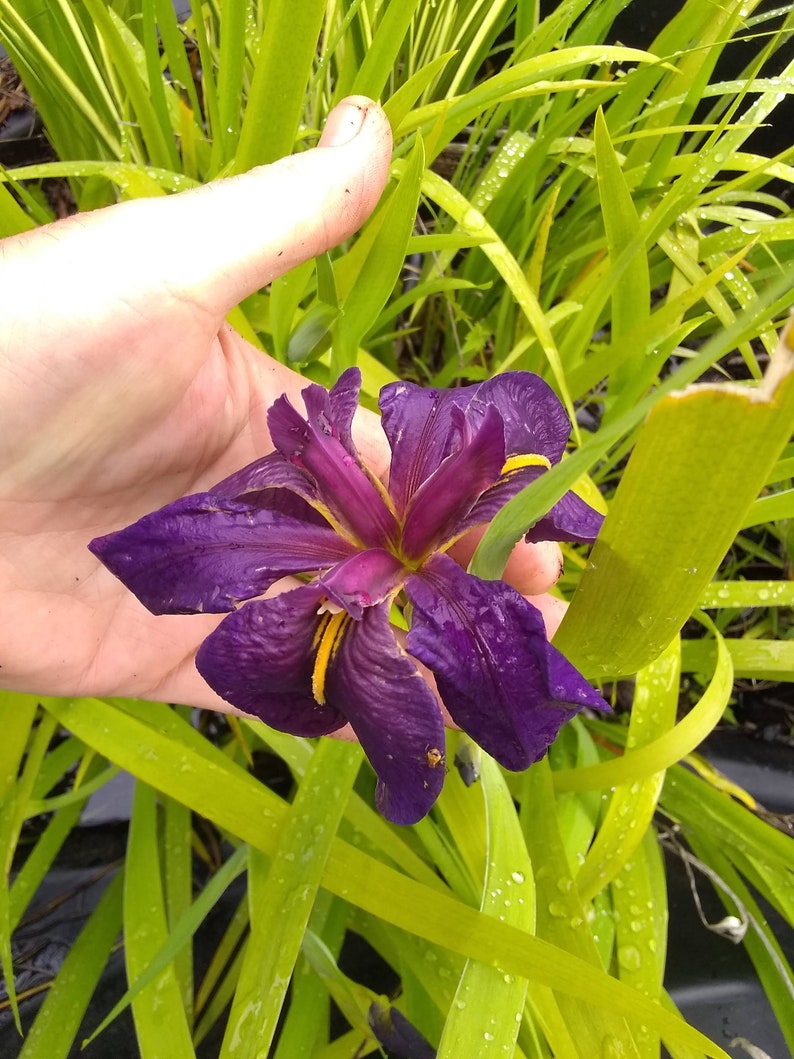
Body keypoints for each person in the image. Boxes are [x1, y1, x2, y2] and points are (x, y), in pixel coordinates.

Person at [0, 96, 567, 719]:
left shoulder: (439, 468)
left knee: (512, 670)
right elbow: (180, 544)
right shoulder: (321, 535)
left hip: (376, 560)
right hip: (337, 579)